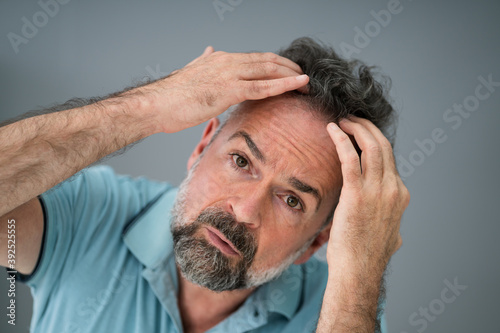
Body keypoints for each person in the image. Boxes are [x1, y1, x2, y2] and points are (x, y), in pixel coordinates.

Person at [0, 37, 409, 332]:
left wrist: (359, 276)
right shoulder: (88, 213)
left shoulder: (338, 309)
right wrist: (148, 107)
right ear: (201, 146)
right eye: (241, 161)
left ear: (317, 244)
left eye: (291, 200)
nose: (245, 211)